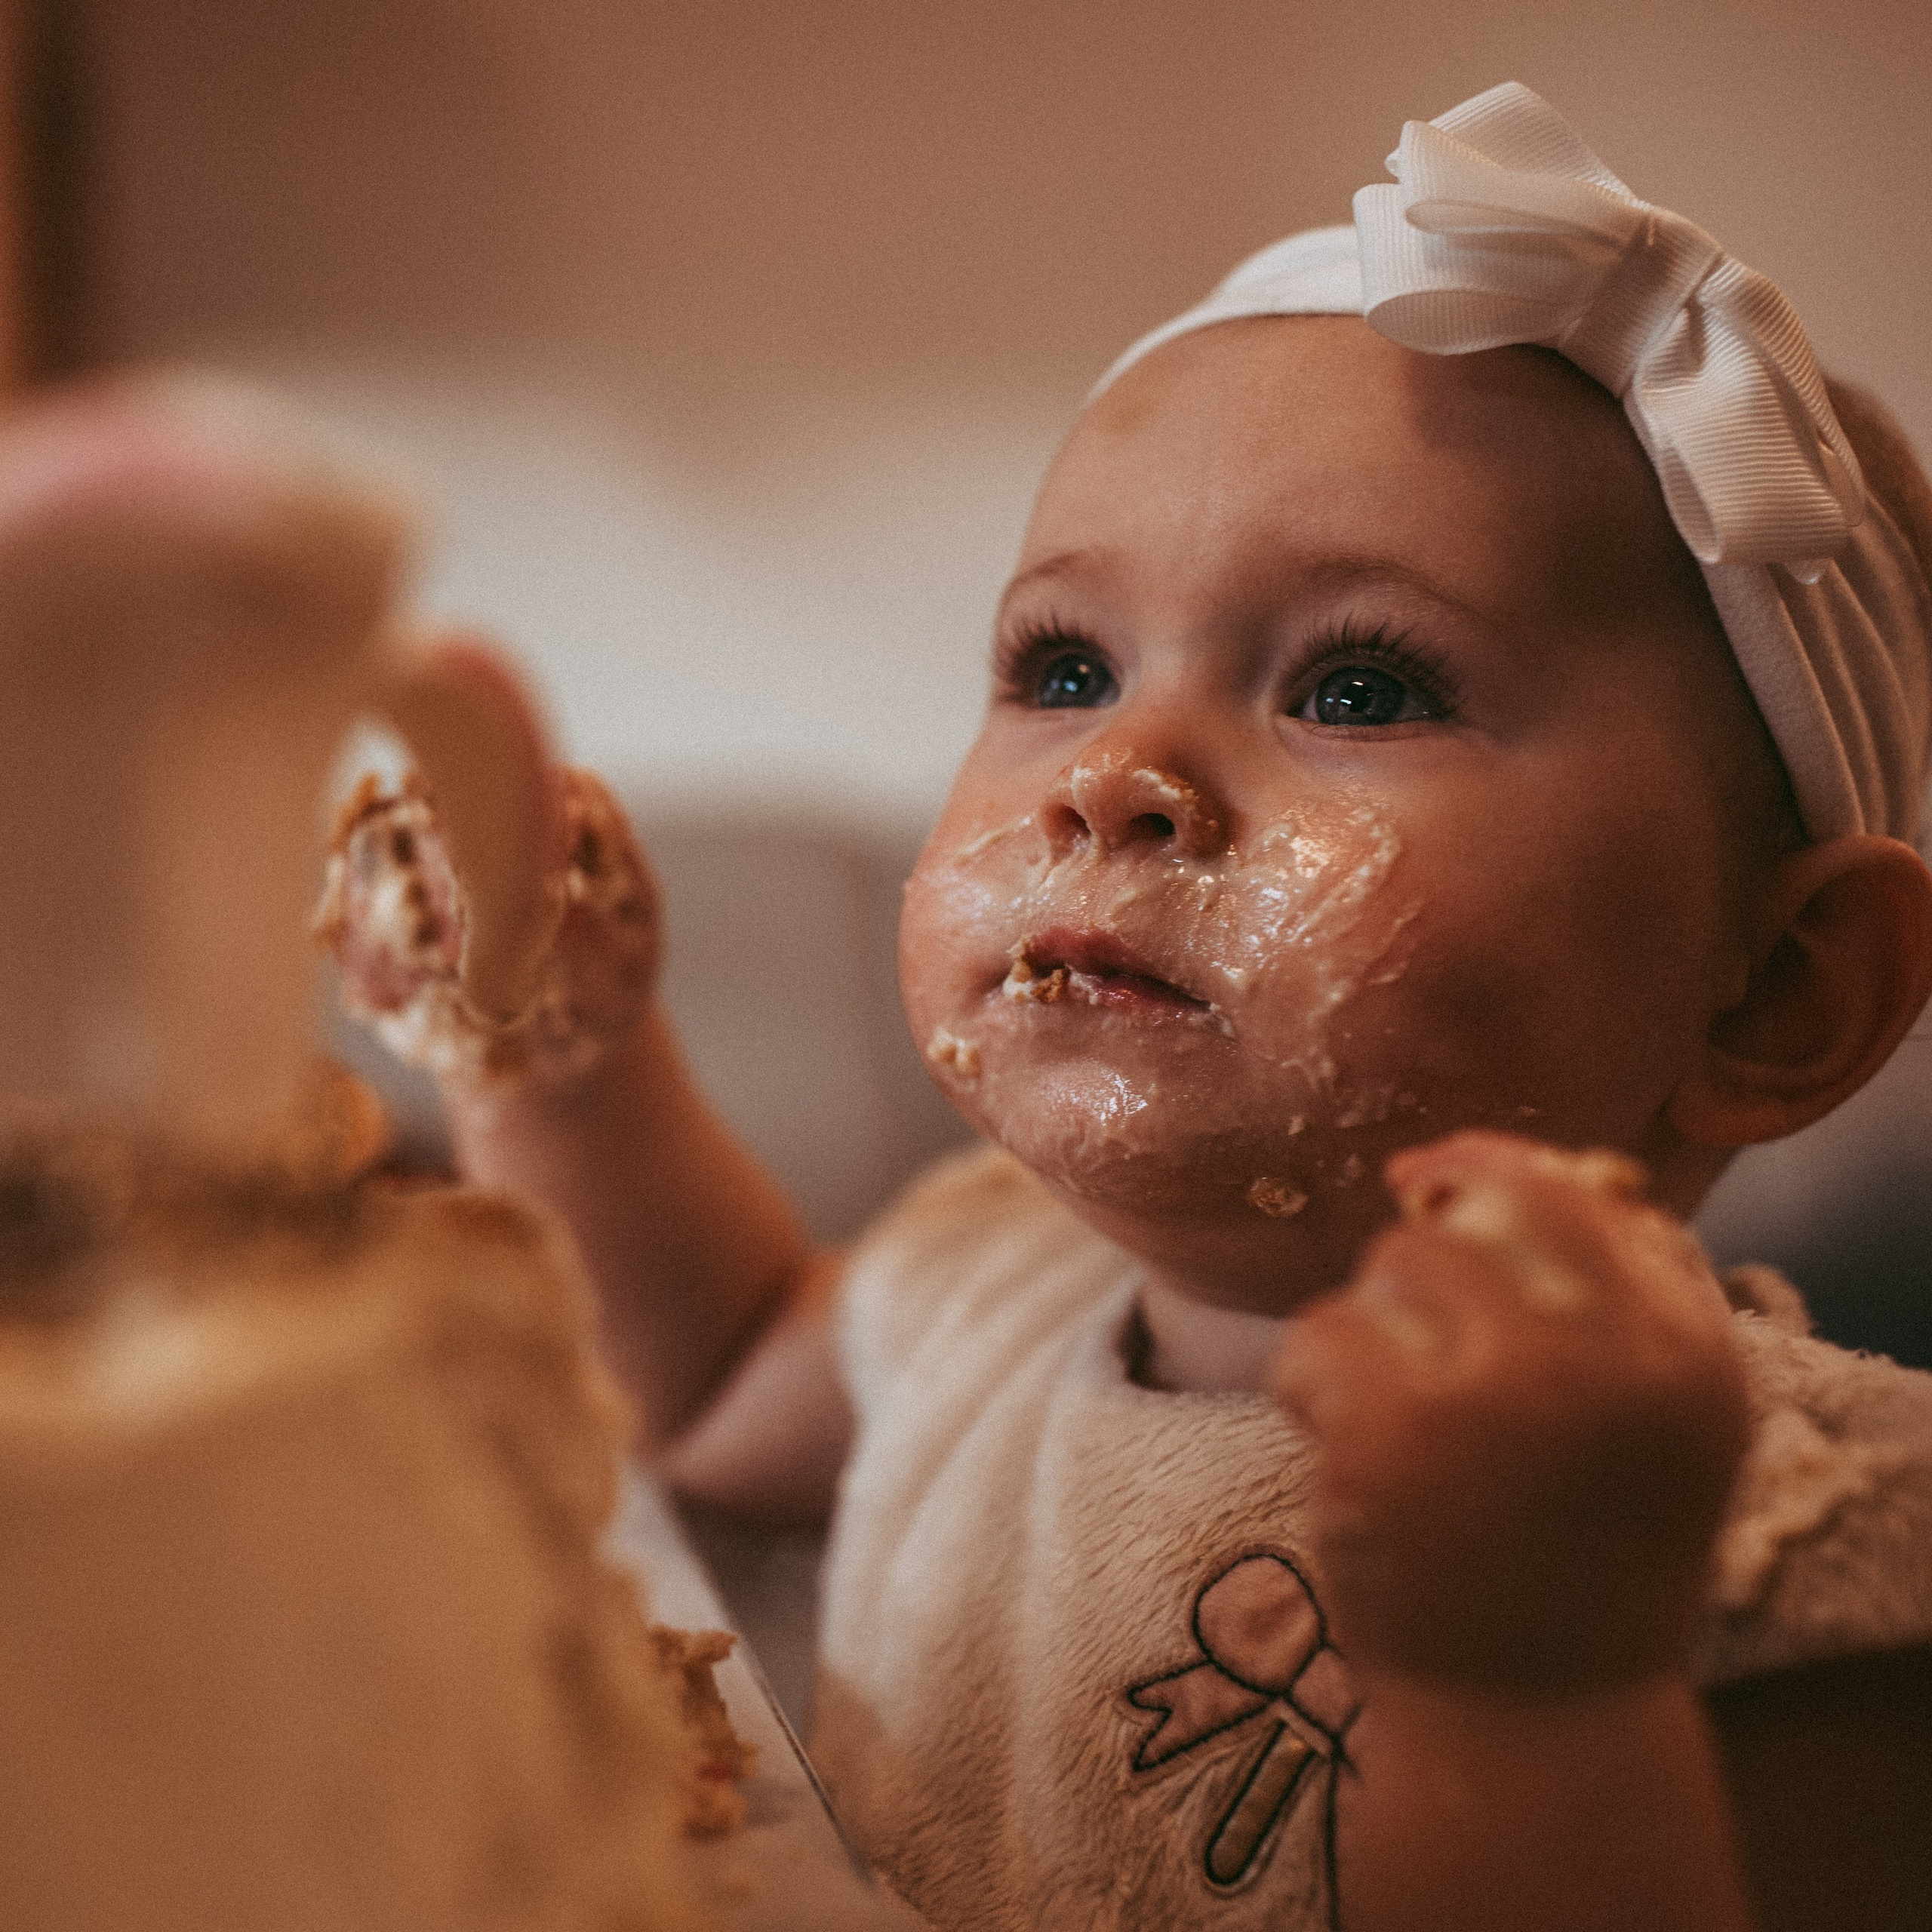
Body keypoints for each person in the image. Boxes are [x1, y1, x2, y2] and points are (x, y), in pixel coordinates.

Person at [325, 84, 1932, 1932]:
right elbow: (699, 1374)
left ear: (1780, 988)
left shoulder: (1775, 1546)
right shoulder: (988, 1289)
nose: (1118, 772)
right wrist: (558, 1047)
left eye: (1356, 686)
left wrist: (1539, 1695)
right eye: (1063, 664)